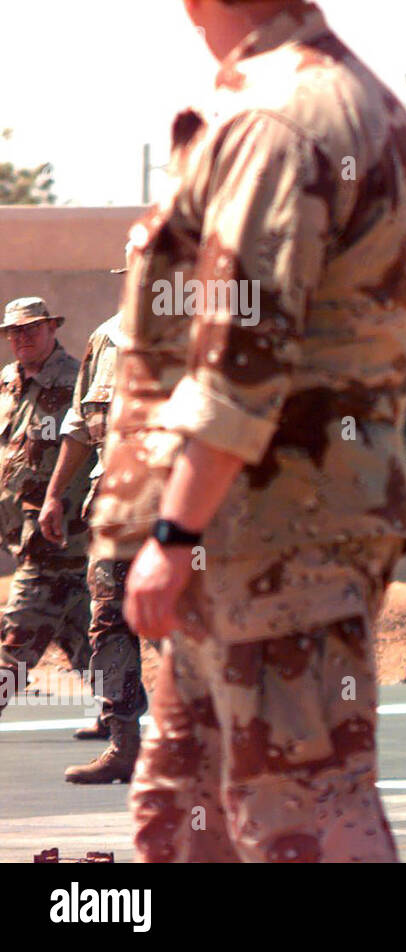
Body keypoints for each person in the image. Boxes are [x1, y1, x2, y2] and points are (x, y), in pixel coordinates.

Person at [93, 0, 406, 861]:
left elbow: (244, 352)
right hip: (249, 535)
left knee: (301, 819)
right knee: (181, 817)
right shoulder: (324, 97)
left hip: (277, 536)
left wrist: (173, 530)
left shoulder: (281, 116)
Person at [42, 253, 147, 783]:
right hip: (112, 509)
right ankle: (124, 744)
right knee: (108, 624)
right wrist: (55, 493)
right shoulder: (106, 338)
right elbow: (81, 423)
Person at [0, 297, 92, 719]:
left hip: (57, 533)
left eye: (32, 329)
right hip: (18, 531)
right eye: (14, 331)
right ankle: (122, 720)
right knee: (83, 633)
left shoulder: (76, 382)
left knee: (17, 635)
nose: (22, 338)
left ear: (53, 328)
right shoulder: (6, 383)